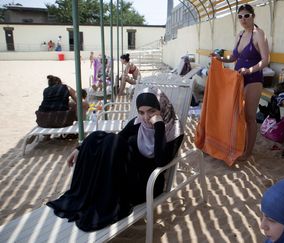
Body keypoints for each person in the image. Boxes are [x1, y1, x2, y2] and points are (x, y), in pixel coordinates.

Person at [47, 87, 184, 231]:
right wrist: (80, 148)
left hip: (148, 183)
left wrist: (159, 126)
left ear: (161, 108)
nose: (146, 118)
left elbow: (161, 162)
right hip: (128, 174)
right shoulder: (137, 123)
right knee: (98, 137)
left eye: (152, 111)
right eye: (141, 112)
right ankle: (89, 194)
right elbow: (118, 138)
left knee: (114, 142)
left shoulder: (174, 130)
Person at [212, 4, 270, 161]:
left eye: (247, 16)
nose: (243, 19)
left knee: (250, 116)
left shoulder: (259, 34)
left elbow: (266, 60)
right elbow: (233, 57)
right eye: (240, 17)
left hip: (253, 80)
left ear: (253, 16)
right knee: (237, 114)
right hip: (238, 79)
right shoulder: (239, 35)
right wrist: (220, 58)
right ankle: (238, 145)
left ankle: (248, 152)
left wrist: (250, 70)